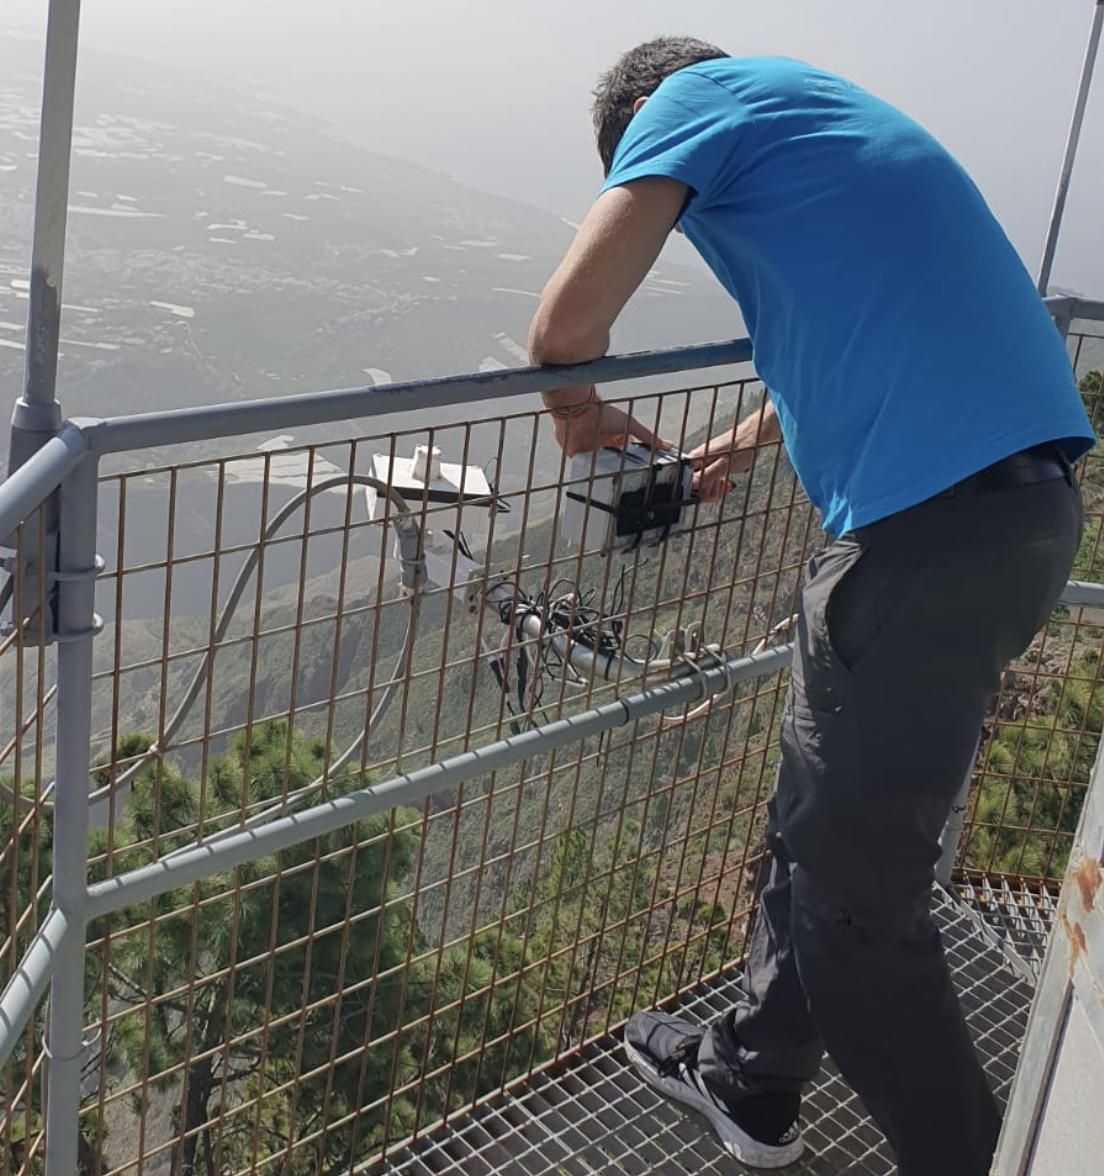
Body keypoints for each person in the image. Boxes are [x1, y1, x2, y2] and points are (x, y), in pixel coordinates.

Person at [527, 36, 1094, 1176]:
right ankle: (751, 1074)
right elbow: (865, 328)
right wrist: (738, 445)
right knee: (816, 814)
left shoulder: (685, 102)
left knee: (854, 918)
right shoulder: (820, 114)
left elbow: (563, 329)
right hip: (1023, 515)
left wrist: (578, 415)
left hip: (921, 540)